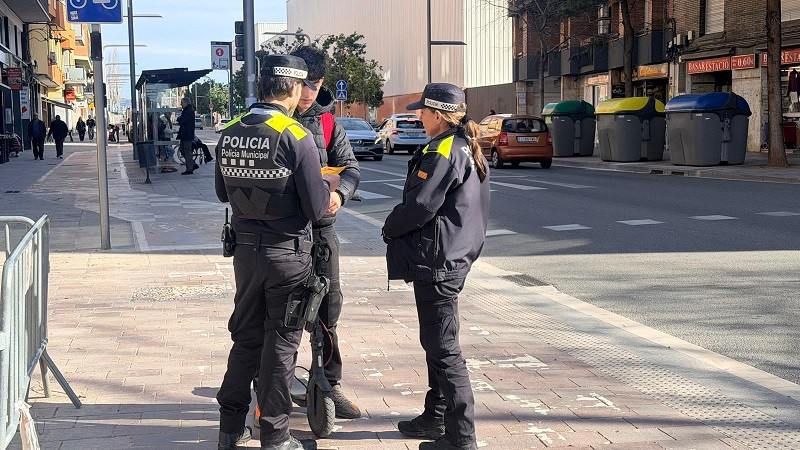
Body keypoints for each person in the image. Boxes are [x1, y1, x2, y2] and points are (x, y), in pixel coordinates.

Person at [214, 54, 332, 450]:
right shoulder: (296, 135)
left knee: (245, 340)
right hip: (289, 256)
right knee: (282, 345)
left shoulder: (230, 130)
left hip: (246, 256)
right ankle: (277, 437)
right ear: (295, 88)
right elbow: (316, 208)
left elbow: (220, 193)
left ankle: (229, 429)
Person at [382, 83, 490, 450]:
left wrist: (389, 227)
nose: (418, 116)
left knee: (444, 350)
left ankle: (461, 438)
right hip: (451, 255)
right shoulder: (460, 144)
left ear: (438, 115)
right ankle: (436, 416)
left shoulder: (444, 150)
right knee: (437, 343)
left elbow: (421, 207)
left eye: (422, 112)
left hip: (439, 261)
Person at [285, 44, 362, 421]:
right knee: (281, 313)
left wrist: (341, 196)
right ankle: (273, 387)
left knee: (329, 306)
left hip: (322, 231)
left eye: (317, 84)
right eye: (305, 84)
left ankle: (329, 383)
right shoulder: (273, 119)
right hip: (282, 234)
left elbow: (350, 168)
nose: (311, 92)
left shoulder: (329, 122)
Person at [177, 97, 198, 175]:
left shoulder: (188, 111)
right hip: (186, 134)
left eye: (182, 103)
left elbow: (182, 120)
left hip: (187, 134)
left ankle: (190, 169)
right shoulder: (188, 110)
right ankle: (192, 164)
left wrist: (179, 119)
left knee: (186, 150)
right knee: (182, 150)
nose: (181, 104)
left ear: (186, 103)